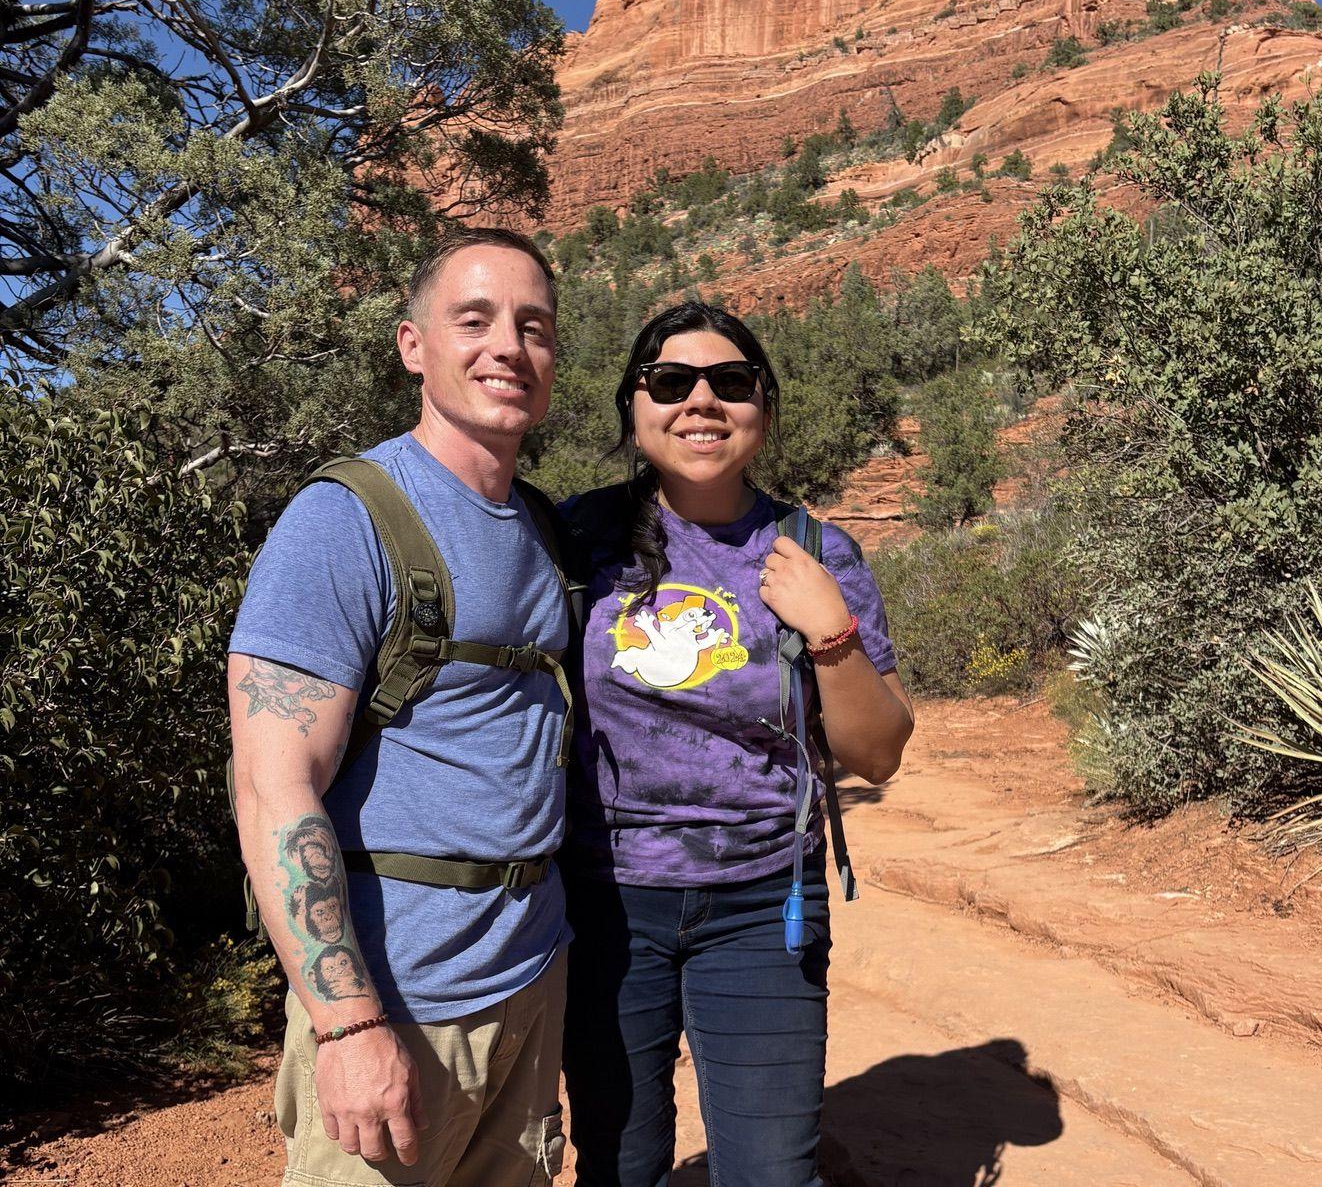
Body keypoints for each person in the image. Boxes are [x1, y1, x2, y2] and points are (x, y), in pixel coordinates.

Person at [227, 227, 571, 1187]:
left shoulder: (543, 527)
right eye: (475, 320)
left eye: (534, 326)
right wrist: (347, 1023)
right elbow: (272, 785)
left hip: (529, 983)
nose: (508, 346)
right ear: (413, 345)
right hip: (399, 1007)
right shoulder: (344, 520)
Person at [560, 301, 915, 1187]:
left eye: (731, 381)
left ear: (764, 404)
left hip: (762, 900)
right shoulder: (574, 539)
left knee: (770, 1172)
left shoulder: (817, 551)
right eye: (671, 382)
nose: (701, 401)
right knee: (619, 1164)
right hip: (603, 902)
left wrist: (830, 630)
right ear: (634, 405)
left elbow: (877, 754)